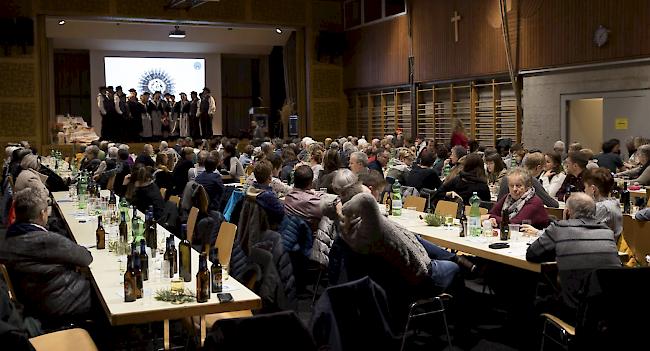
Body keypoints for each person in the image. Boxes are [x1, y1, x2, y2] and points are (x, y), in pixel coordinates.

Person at [330, 169, 461, 289]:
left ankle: (458, 261)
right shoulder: (371, 226)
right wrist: (356, 196)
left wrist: (340, 205)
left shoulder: (346, 224)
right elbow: (367, 200)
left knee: (416, 238)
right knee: (455, 268)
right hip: (418, 275)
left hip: (390, 280)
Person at [524, 193, 620, 324]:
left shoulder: (559, 228)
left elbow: (532, 254)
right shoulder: (607, 232)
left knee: (534, 303)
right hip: (608, 310)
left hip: (575, 310)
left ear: (568, 212)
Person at [0, 187, 92, 319]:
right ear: (42, 213)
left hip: (34, 301)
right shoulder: (46, 241)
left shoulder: (8, 238)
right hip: (61, 301)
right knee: (103, 290)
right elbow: (85, 258)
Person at [582, 168, 622, 240]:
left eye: (585, 187)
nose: (584, 190)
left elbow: (585, 234)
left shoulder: (601, 208)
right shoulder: (615, 202)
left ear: (593, 189)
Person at [284, 165, 325, 230]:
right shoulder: (312, 201)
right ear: (311, 183)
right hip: (309, 237)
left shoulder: (288, 197)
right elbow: (327, 210)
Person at [252, 160, 285, 226]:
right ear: (270, 178)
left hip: (253, 227)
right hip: (268, 229)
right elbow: (282, 213)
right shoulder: (268, 196)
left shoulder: (250, 190)